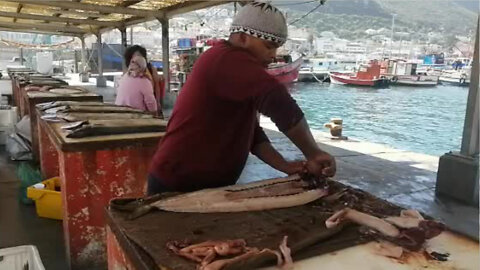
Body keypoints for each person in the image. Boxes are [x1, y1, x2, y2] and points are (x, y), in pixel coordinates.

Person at [148, 2, 336, 194]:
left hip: (207, 187)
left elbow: (251, 134)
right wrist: (314, 153)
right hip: (177, 185)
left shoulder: (235, 71)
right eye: (269, 46)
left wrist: (285, 166)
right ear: (243, 38)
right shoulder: (225, 59)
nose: (273, 56)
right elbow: (279, 102)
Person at [123, 45, 164, 117]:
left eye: (139, 56)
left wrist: (158, 102)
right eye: (134, 57)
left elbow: (157, 86)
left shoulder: (150, 69)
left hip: (150, 102)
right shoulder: (129, 73)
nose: (137, 59)